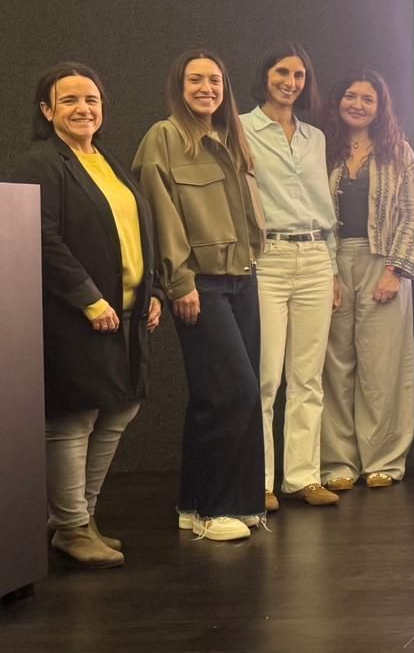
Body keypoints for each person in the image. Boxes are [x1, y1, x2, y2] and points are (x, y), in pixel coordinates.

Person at [15, 63, 160, 568]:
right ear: (47, 110)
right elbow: (41, 237)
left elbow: (137, 231)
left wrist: (153, 291)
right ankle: (72, 527)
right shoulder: (41, 163)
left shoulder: (108, 161)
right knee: (74, 416)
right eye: (70, 100)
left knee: (122, 407)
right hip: (75, 314)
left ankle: (80, 517)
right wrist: (87, 298)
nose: (83, 109)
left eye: (91, 100)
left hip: (128, 311)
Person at [133, 50, 266, 541]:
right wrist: (180, 281)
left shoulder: (231, 137)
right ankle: (215, 511)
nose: (206, 88)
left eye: (214, 80)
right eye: (195, 79)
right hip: (201, 284)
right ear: (179, 86)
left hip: (243, 279)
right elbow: (160, 215)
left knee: (220, 395)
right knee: (233, 392)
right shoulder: (164, 137)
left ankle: (198, 506)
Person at [242, 44, 340, 510]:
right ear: (266, 76)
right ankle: (259, 481)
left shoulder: (314, 137)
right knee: (265, 378)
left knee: (308, 377)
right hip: (269, 256)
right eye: (282, 72)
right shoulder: (240, 128)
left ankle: (302, 477)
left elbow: (324, 203)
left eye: (299, 75)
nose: (291, 82)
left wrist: (333, 267)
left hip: (317, 255)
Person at [320, 71, 414, 491]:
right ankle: (337, 464)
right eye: (351, 96)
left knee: (382, 369)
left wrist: (395, 271)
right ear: (338, 101)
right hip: (328, 263)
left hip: (384, 263)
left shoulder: (397, 151)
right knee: (333, 367)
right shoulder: (321, 149)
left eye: (368, 99)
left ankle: (384, 459)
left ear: (380, 107)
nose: (358, 104)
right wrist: (327, 272)